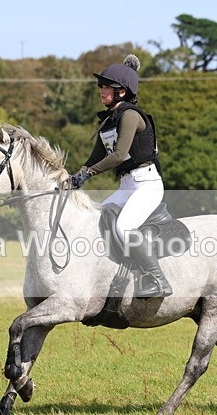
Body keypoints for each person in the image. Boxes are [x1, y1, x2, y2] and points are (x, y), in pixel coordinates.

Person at [71, 54, 172, 298]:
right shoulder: (109, 119)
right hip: (127, 186)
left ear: (122, 92)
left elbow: (118, 155)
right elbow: (95, 156)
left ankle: (158, 280)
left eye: (107, 87)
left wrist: (89, 175)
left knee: (124, 227)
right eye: (102, 87)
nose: (102, 91)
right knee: (96, 222)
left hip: (146, 185)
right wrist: (74, 177)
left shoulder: (130, 116)